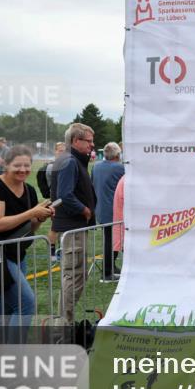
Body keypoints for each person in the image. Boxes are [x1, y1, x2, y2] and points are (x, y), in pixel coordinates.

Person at [0, 146, 54, 342]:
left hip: (14, 254)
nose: (23, 170)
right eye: (17, 165)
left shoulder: (29, 190)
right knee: (26, 305)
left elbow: (29, 228)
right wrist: (32, 212)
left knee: (6, 313)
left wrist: (41, 217)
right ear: (5, 165)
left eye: (27, 165)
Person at [52, 123, 96, 322]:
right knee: (73, 275)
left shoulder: (71, 160)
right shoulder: (69, 161)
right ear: (76, 141)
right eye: (89, 141)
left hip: (74, 227)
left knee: (77, 275)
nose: (92, 145)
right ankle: (63, 324)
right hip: (73, 227)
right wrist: (84, 209)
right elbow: (65, 195)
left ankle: (64, 321)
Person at [91, 142, 125, 281]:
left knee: (109, 239)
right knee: (115, 240)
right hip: (115, 210)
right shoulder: (120, 168)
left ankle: (110, 267)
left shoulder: (96, 166)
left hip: (100, 209)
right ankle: (107, 271)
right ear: (117, 155)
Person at [44, 142, 66, 260]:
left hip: (62, 199)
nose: (62, 153)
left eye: (64, 151)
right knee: (55, 227)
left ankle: (60, 251)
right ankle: (52, 253)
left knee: (63, 227)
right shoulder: (52, 166)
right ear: (55, 152)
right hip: (57, 200)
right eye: (60, 150)